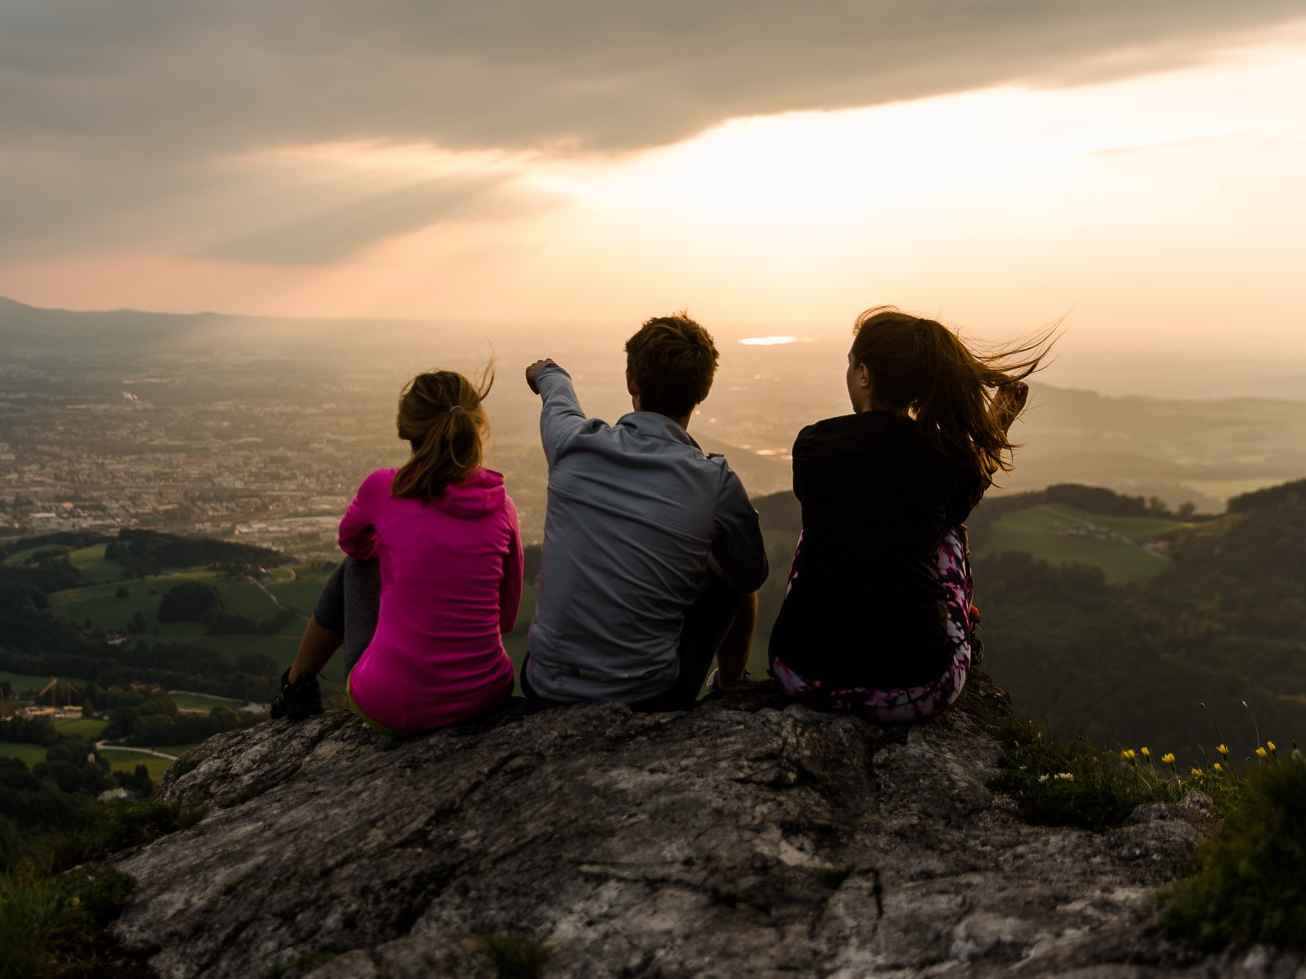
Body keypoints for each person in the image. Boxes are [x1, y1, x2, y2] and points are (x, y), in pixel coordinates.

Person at [768, 306, 1052, 725]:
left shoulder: (813, 444)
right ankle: (962, 632)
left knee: (819, 528)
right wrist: (999, 421)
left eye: (850, 364)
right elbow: (962, 497)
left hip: (800, 675)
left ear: (864, 374)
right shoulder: (943, 459)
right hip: (916, 690)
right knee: (949, 533)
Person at [521, 313, 769, 710]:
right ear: (703, 392)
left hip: (544, 683)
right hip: (651, 696)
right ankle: (730, 688)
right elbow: (750, 573)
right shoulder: (715, 481)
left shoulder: (572, 442)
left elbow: (558, 399)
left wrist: (548, 372)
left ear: (630, 380)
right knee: (734, 575)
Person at [272, 368, 523, 733]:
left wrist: (402, 550)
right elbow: (507, 619)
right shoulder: (502, 507)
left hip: (392, 705)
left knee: (356, 565)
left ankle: (296, 686)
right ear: (475, 426)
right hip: (483, 698)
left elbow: (352, 543)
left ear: (408, 429)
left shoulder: (386, 489)